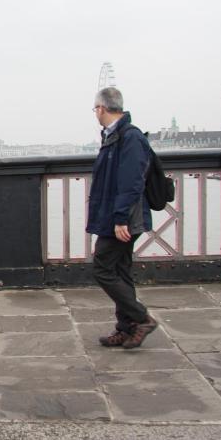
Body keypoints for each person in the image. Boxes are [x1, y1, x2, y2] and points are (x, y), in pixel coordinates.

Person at [87, 87, 157, 349]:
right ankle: (126, 328)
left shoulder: (130, 137)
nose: (95, 113)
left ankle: (141, 319)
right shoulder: (114, 137)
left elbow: (131, 183)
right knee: (120, 271)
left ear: (102, 108)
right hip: (115, 216)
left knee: (103, 268)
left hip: (124, 219)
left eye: (95, 109)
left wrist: (120, 220)